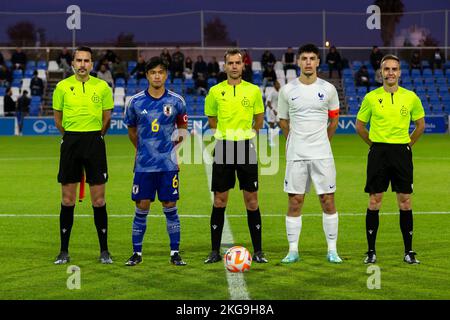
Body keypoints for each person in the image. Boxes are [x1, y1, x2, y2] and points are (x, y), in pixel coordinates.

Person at [355, 54, 425, 265]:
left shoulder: (410, 97)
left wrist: (407, 145)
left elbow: (420, 124)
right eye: (387, 69)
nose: (391, 73)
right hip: (378, 153)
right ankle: (371, 251)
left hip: (401, 153)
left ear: (400, 73)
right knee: (375, 200)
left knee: (405, 201)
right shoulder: (371, 97)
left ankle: (409, 251)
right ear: (381, 72)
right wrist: (375, 146)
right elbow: (360, 125)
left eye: (394, 69)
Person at [278, 43, 342, 264]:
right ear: (297, 61)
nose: (308, 62)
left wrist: (323, 141)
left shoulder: (329, 89)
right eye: (304, 58)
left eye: (312, 58)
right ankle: (293, 250)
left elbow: (334, 119)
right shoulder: (287, 90)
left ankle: (332, 250)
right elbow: (283, 121)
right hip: (296, 154)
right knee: (295, 201)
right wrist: (295, 141)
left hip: (322, 154)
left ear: (317, 62)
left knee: (327, 200)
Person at [204, 48, 267, 264]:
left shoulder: (253, 91)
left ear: (243, 65)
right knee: (220, 200)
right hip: (223, 148)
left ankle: (258, 251)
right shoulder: (214, 91)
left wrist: (248, 135)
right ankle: (214, 251)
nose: (233, 66)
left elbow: (259, 118)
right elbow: (212, 119)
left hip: (245, 148)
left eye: (237, 63)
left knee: (252, 200)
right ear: (225, 66)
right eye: (230, 63)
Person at [123, 56, 188, 266]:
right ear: (147, 75)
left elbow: (182, 132)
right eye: (153, 72)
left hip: (168, 166)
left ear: (166, 75)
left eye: (160, 72)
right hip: (144, 165)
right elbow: (132, 132)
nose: (157, 76)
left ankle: (175, 253)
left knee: (170, 205)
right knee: (142, 206)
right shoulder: (135, 102)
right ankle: (137, 253)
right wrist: (143, 150)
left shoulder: (177, 101)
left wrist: (171, 152)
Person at [52, 46, 114, 265]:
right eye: (78, 60)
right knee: (68, 200)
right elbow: (58, 120)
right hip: (71, 143)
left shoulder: (103, 87)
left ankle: (104, 251)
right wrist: (71, 136)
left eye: (87, 61)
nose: (82, 64)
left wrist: (94, 137)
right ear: (72, 63)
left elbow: (107, 118)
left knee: (99, 200)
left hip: (94, 143)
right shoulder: (61, 87)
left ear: (92, 64)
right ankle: (63, 251)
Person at [265, 80, 281, 147]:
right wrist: (273, 110)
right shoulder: (272, 92)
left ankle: (270, 137)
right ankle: (271, 141)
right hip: (270, 110)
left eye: (279, 83)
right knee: (271, 125)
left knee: (280, 125)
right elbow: (268, 103)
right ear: (274, 85)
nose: (279, 85)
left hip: (276, 111)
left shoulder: (279, 92)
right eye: (277, 84)